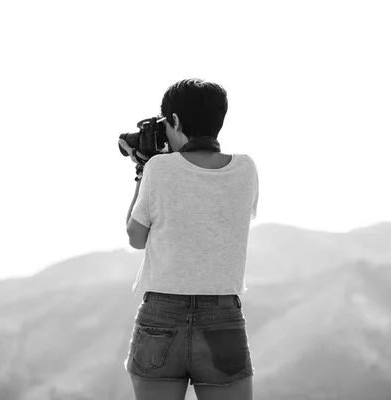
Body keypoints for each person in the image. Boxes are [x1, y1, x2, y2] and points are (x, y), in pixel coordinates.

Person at [119, 78, 259, 400]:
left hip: (160, 316)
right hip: (222, 316)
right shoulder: (246, 169)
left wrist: (142, 170)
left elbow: (136, 237)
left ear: (176, 121)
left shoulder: (158, 169)